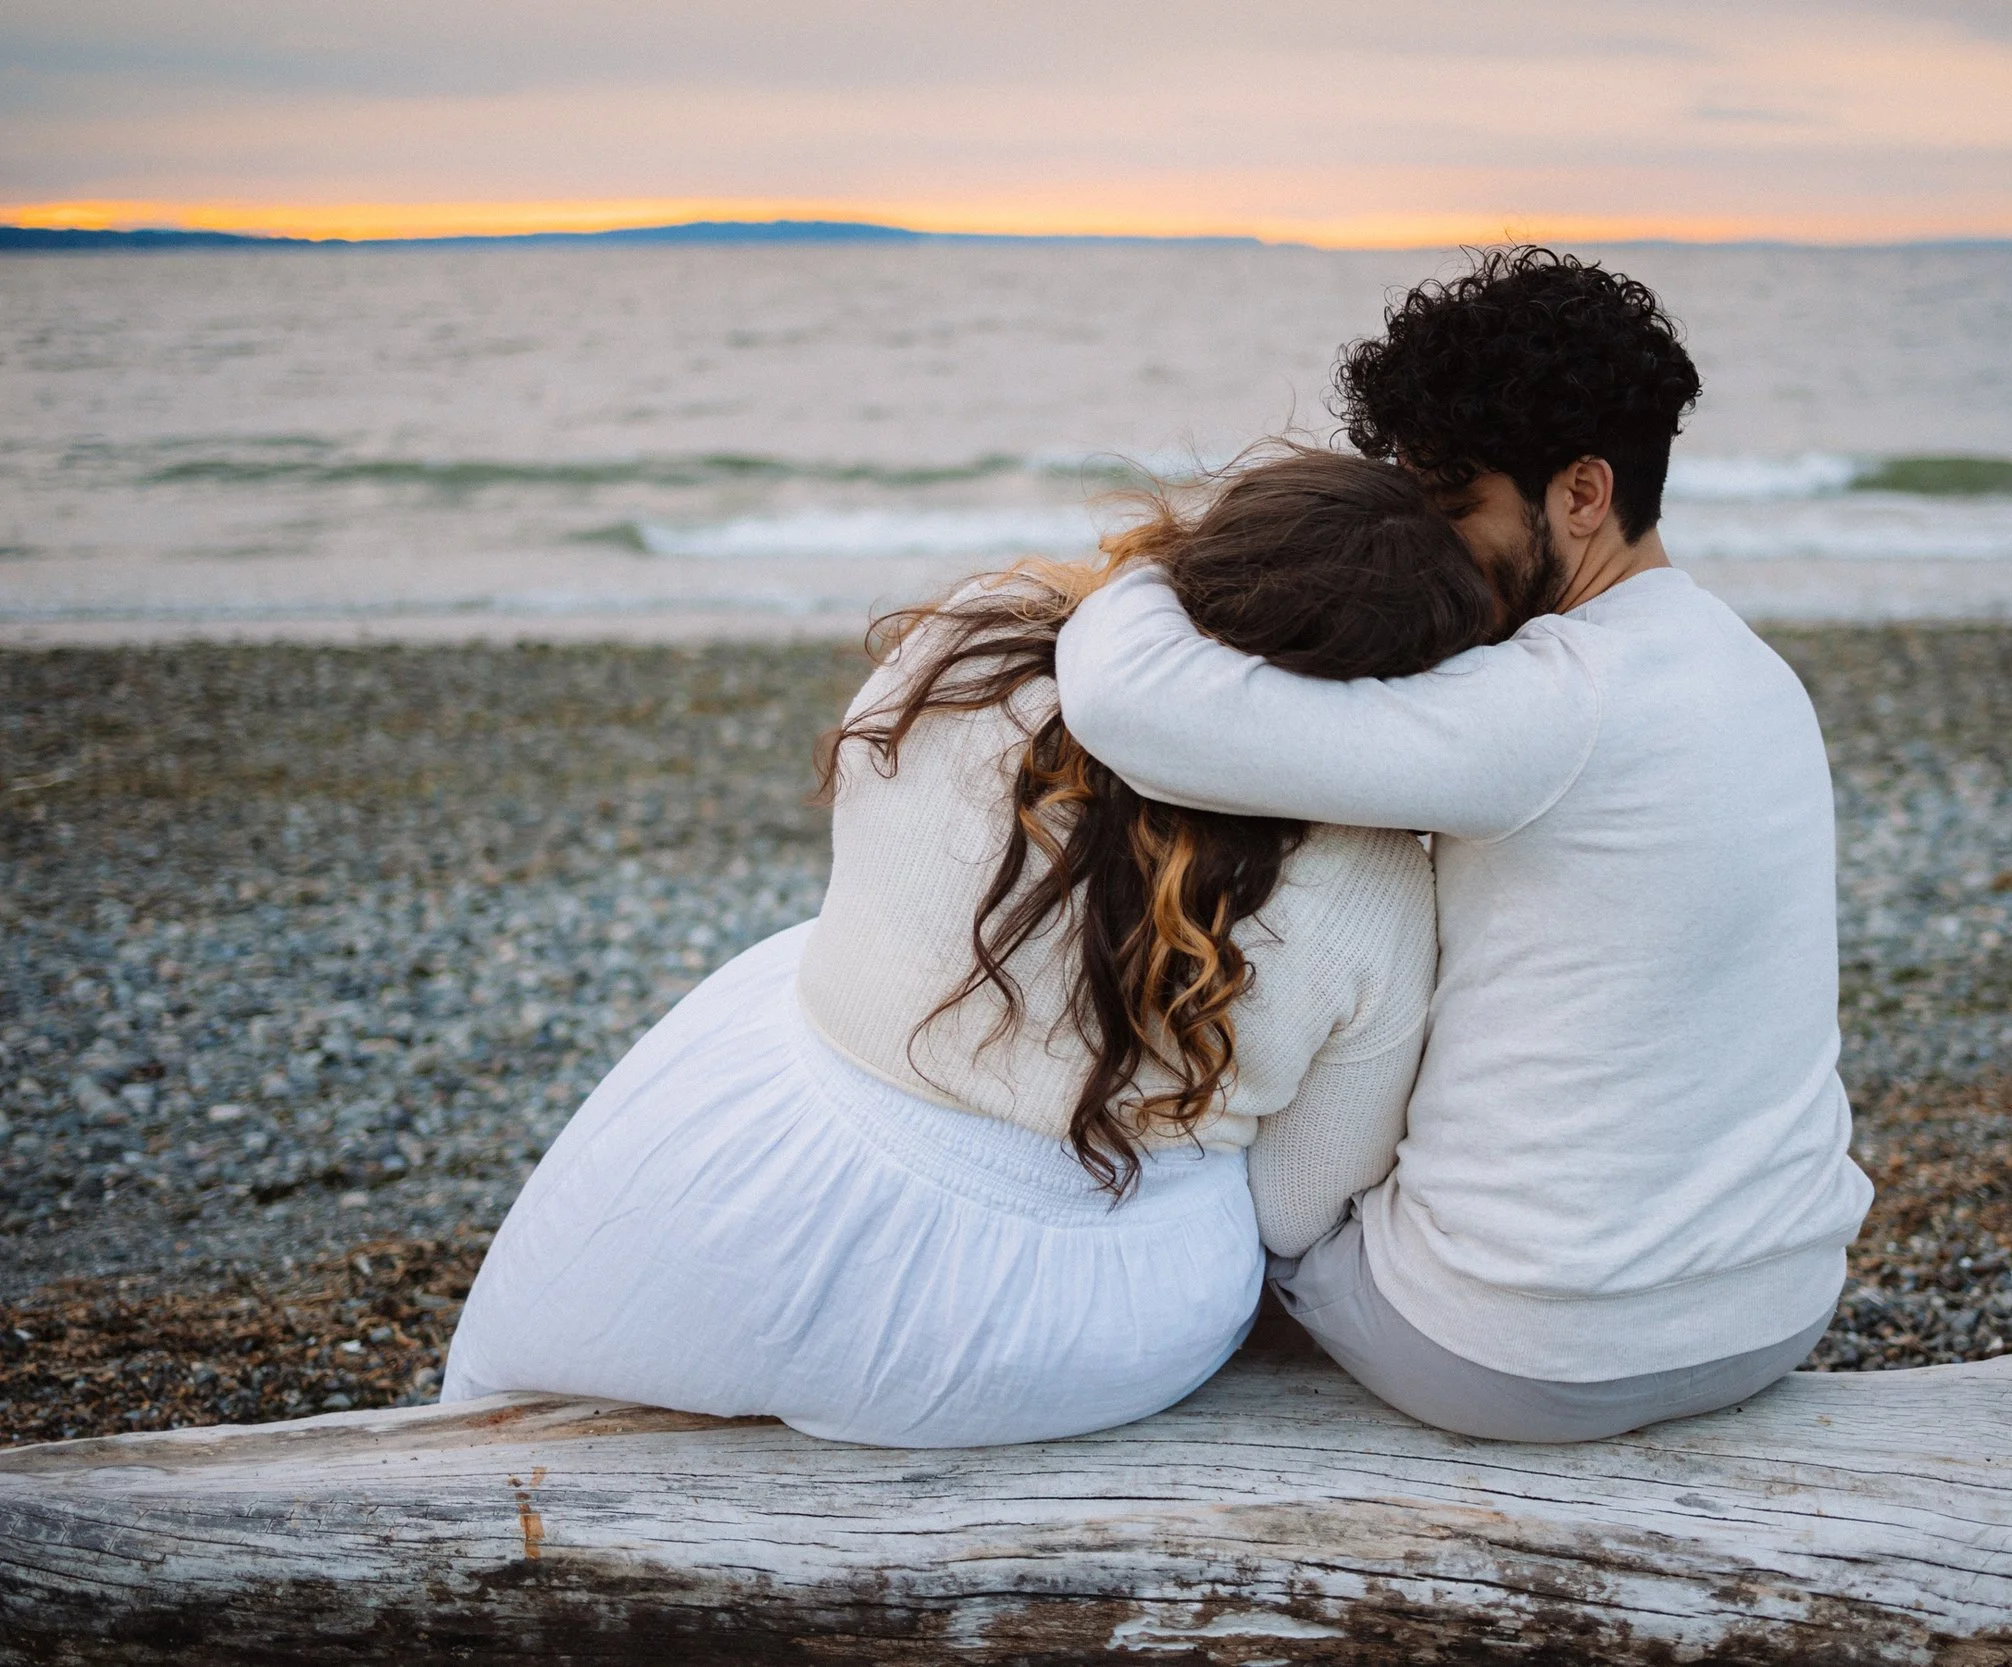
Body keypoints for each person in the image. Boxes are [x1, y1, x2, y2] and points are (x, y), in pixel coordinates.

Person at [440, 450, 1499, 1446]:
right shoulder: (1376, 880)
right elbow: (1297, 1203)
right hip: (1077, 1323)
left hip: (751, 1212)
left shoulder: (973, 645)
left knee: (792, 961)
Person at [1055, 248, 1875, 1443]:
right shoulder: (1749, 669)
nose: (1432, 551)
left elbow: (1141, 712)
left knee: (1227, 1203)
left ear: (1582, 492)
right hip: (1776, 1304)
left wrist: (1155, 564)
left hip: (1519, 1349)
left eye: (1454, 510)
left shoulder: (1548, 703)